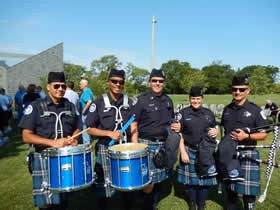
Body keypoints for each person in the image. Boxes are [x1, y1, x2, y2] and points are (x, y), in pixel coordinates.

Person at [18, 72, 82, 210]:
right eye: (56, 86)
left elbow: (78, 127)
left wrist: (75, 138)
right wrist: (52, 143)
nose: (60, 89)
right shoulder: (36, 106)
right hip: (43, 157)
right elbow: (26, 136)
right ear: (48, 87)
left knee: (64, 199)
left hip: (65, 158)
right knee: (46, 203)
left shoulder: (70, 106)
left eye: (63, 86)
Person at [86, 68, 137, 210]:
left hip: (125, 148)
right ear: (108, 82)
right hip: (105, 147)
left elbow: (133, 125)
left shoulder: (130, 102)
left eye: (121, 82)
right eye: (114, 81)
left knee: (127, 182)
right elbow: (89, 128)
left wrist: (135, 146)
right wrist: (109, 134)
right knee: (104, 184)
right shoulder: (98, 102)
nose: (118, 85)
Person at [131, 69, 181, 210]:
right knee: (148, 179)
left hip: (164, 142)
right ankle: (148, 205)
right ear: (149, 82)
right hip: (146, 142)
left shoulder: (168, 100)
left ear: (164, 83)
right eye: (154, 81)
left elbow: (171, 121)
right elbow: (134, 124)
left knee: (160, 176)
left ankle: (150, 200)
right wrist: (136, 146)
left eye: (160, 81)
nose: (157, 83)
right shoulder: (141, 100)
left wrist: (176, 125)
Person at [220, 75, 269, 210]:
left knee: (248, 194)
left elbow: (263, 134)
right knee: (231, 190)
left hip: (248, 153)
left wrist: (246, 136)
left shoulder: (255, 110)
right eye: (235, 89)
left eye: (242, 89)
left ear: (248, 91)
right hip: (230, 153)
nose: (238, 92)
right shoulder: (227, 109)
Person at [177, 86, 218, 210]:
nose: (196, 101)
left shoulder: (208, 113)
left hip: (206, 151)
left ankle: (201, 204)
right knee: (190, 182)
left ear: (202, 99)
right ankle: (192, 204)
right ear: (190, 99)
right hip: (189, 149)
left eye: (198, 98)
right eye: (193, 98)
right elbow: (179, 134)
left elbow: (215, 126)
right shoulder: (183, 113)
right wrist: (183, 152)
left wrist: (216, 130)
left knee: (205, 181)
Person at [79, 79, 94, 144]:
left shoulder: (85, 92)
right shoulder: (89, 91)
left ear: (84, 85)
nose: (79, 85)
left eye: (80, 84)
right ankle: (89, 143)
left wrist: (83, 110)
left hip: (85, 114)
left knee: (85, 130)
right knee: (88, 129)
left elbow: (89, 101)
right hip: (89, 113)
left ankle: (86, 145)